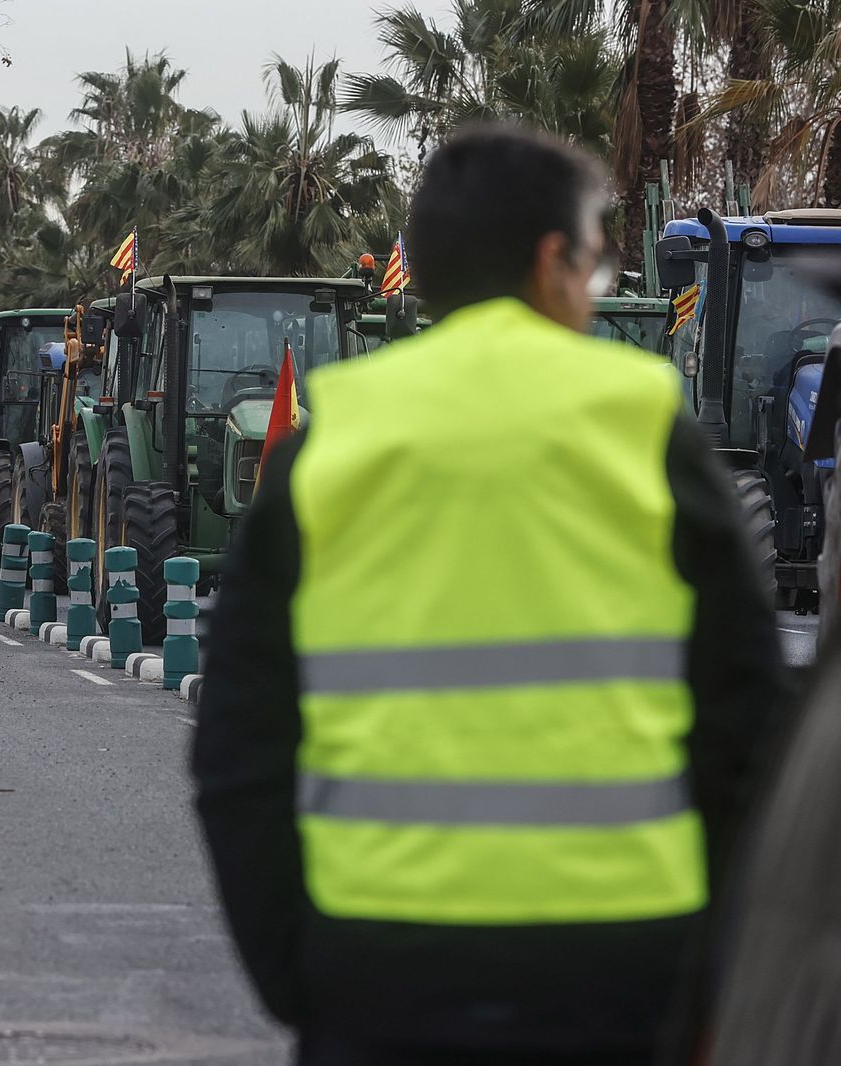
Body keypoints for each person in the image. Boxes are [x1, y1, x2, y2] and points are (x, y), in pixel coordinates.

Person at [191, 124, 786, 1066]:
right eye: (591, 267)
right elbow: (747, 723)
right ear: (554, 262)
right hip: (622, 964)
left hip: (379, 963)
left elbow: (239, 741)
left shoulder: (333, 440)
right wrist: (705, 959)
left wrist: (297, 969)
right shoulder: (644, 422)